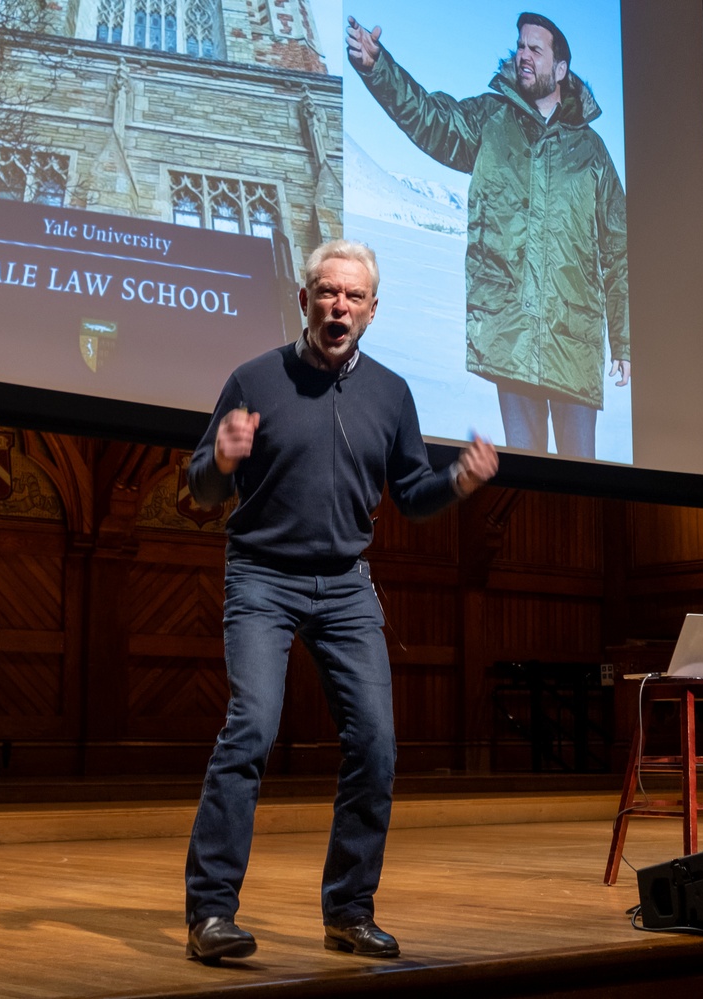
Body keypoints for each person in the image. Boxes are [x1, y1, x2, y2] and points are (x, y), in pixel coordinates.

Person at [183, 239, 498, 963]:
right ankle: (210, 914)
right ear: (305, 300)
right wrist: (224, 455)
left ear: (373, 310)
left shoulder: (391, 393)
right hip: (262, 575)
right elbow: (203, 486)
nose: (339, 307)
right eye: (327, 292)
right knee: (252, 730)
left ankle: (349, 911)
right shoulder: (254, 378)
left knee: (377, 743)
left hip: (346, 584)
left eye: (354, 297)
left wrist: (457, 482)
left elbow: (412, 494)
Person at [347, 12, 629, 458]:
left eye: (536, 49)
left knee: (581, 475)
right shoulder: (490, 120)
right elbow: (431, 120)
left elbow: (618, 248)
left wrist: (624, 339)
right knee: (524, 473)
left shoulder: (591, 151)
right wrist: (378, 68)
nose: (523, 55)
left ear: (561, 70)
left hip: (573, 339)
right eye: (520, 46)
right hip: (510, 333)